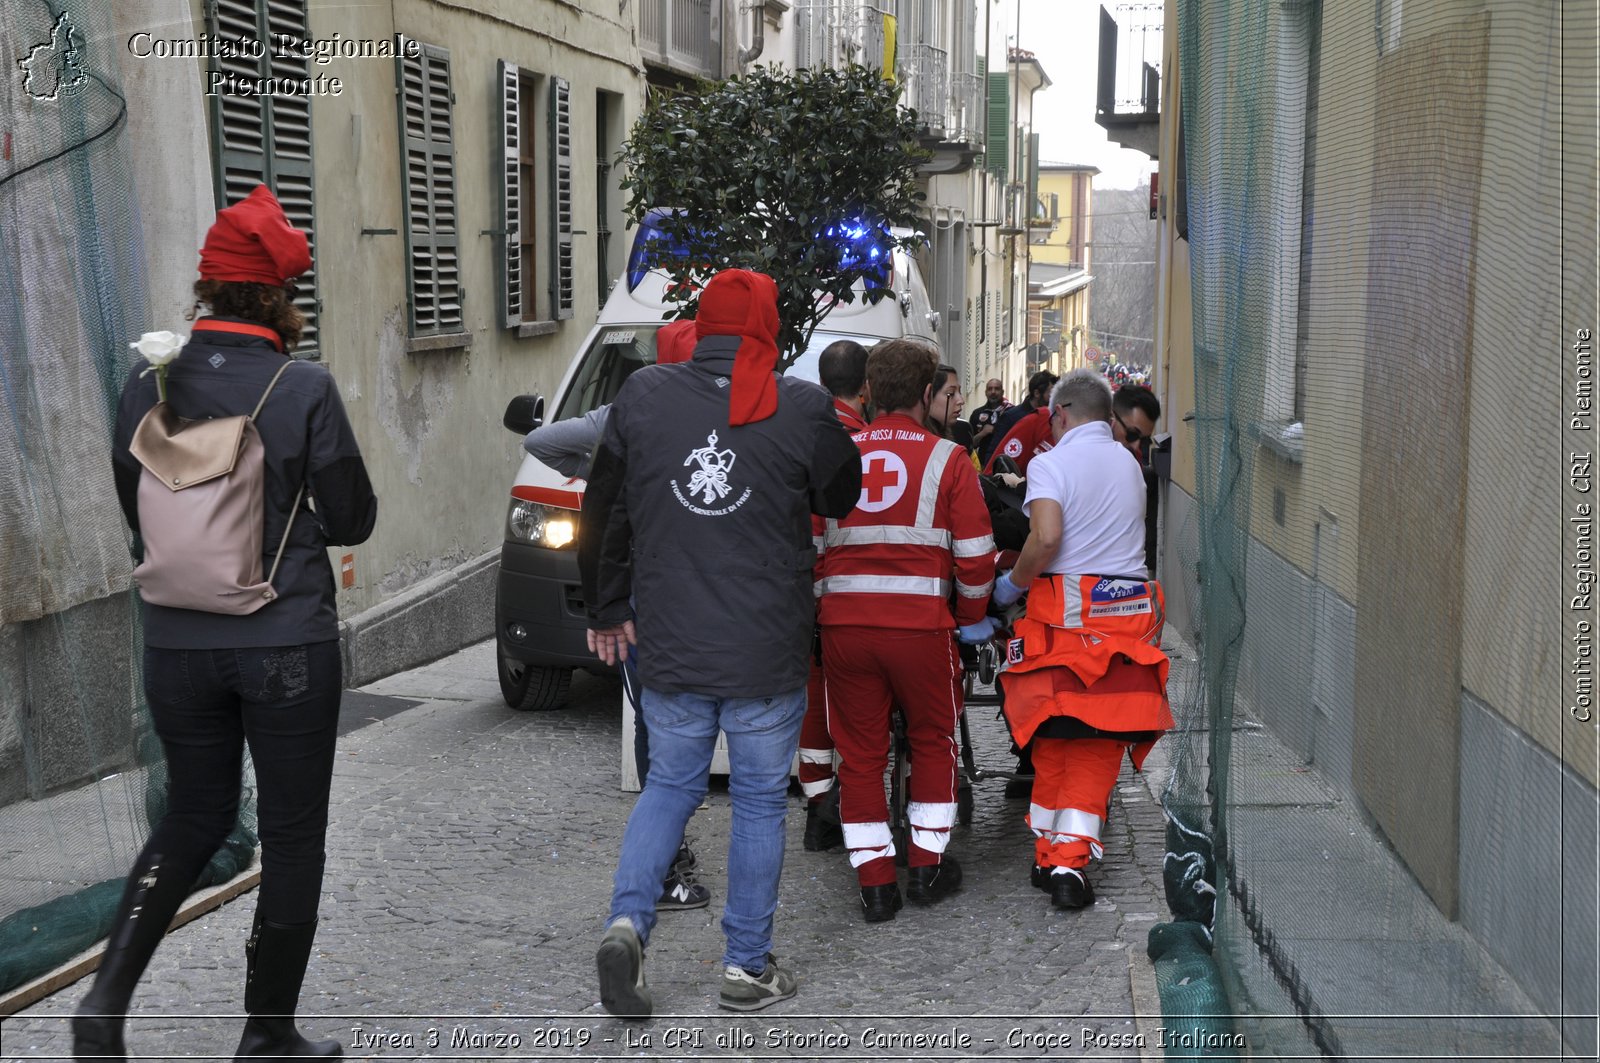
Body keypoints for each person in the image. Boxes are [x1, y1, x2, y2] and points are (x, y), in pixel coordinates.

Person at [84, 185, 378, 1060]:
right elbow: (354, 516)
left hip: (175, 641)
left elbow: (132, 503)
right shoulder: (304, 384)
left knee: (192, 817)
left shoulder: (148, 379)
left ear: (208, 288)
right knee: (291, 833)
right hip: (284, 639)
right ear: (278, 298)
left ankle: (105, 999)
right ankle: (266, 1029)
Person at [579, 269, 861, 1018]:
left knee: (671, 784)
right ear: (769, 329)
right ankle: (745, 966)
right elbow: (842, 495)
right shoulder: (802, 407)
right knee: (763, 800)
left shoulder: (642, 395)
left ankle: (626, 924)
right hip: (765, 645)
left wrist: (608, 606)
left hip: (671, 634)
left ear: (702, 326)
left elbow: (601, 506)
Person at [521, 319, 710, 909]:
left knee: (661, 733)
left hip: (642, 598)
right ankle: (666, 868)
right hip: (706, 600)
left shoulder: (624, 415)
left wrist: (595, 467)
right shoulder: (728, 414)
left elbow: (540, 443)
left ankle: (663, 864)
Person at [816, 339, 996, 923]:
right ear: (926, 394)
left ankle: (874, 883)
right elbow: (974, 557)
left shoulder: (837, 454)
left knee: (861, 757)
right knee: (934, 740)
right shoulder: (948, 460)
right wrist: (969, 620)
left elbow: (813, 548)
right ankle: (926, 864)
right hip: (921, 631)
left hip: (846, 629)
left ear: (869, 391)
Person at [988, 368, 1172, 911]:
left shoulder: (1050, 462)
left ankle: (1061, 860)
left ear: (1061, 413)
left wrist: (1010, 586)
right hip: (1127, 630)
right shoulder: (1130, 465)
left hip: (1061, 629)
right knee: (1094, 745)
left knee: (1056, 742)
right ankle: (1056, 856)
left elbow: (1045, 538)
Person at [798, 339, 872, 852]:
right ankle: (845, 806)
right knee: (854, 708)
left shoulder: (799, 435)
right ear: (865, 388)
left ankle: (817, 806)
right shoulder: (863, 444)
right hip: (843, 594)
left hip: (798, 588)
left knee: (812, 707)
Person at [985, 376, 1161, 477]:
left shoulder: (1129, 459)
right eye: (1132, 434)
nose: (1136, 445)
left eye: (1144, 441)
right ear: (1111, 416)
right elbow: (993, 476)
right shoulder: (1040, 422)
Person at [987, 370, 1057, 458]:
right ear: (1037, 393)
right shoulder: (1011, 417)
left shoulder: (1053, 417)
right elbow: (994, 452)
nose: (1053, 399)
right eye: (1050, 394)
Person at [969, 377, 1010, 465]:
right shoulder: (977, 414)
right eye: (990, 389)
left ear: (1002, 392)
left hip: (1005, 463)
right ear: (986, 393)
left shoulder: (1010, 413)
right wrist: (983, 433)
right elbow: (970, 445)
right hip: (983, 464)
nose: (993, 392)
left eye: (997, 389)